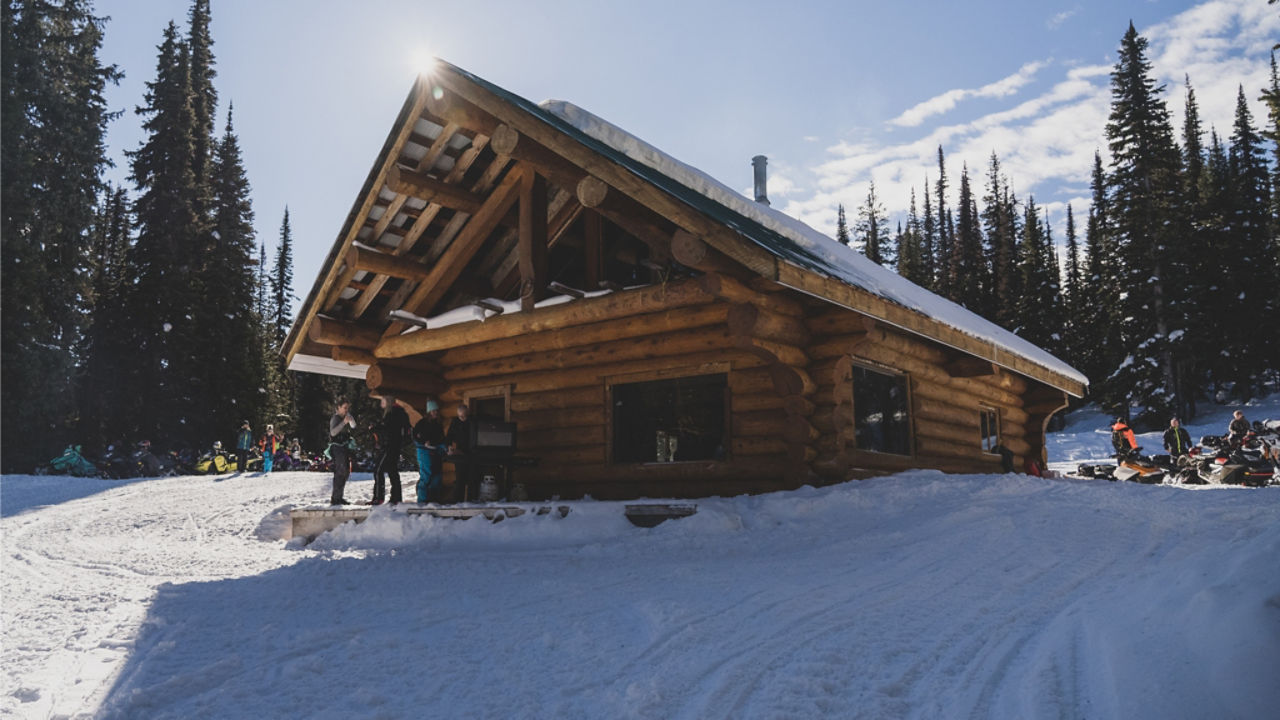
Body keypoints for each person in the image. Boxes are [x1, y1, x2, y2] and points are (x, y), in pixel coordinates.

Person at [371, 395, 410, 505]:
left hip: (390, 446)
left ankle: (379, 497)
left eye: (382, 401)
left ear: (387, 401)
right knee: (393, 471)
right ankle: (396, 497)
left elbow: (389, 430)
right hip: (395, 446)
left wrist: (376, 428)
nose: (380, 403)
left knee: (378, 470)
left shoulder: (392, 413)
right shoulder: (400, 412)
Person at [412, 400, 445, 503]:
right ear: (429, 411)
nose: (435, 412)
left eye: (436, 410)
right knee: (426, 476)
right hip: (424, 452)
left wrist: (444, 447)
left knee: (437, 476)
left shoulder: (438, 424)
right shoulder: (422, 423)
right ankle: (422, 501)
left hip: (436, 451)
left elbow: (441, 438)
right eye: (433, 411)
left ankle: (433, 499)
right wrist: (423, 442)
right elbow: (415, 436)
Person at [445, 403, 475, 503]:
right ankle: (458, 502)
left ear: (467, 413)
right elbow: (449, 436)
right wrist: (449, 447)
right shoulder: (455, 422)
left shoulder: (473, 421)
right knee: (460, 479)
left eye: (464, 415)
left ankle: (471, 501)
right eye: (460, 416)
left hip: (473, 453)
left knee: (472, 478)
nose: (462, 418)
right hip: (460, 453)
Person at [329, 399, 356, 505]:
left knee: (345, 472)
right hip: (337, 447)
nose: (346, 410)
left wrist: (350, 419)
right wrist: (344, 423)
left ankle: (339, 497)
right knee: (340, 472)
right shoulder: (335, 418)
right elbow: (333, 432)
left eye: (347, 408)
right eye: (344, 408)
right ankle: (335, 498)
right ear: (338, 407)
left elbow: (354, 426)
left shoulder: (345, 416)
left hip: (344, 447)